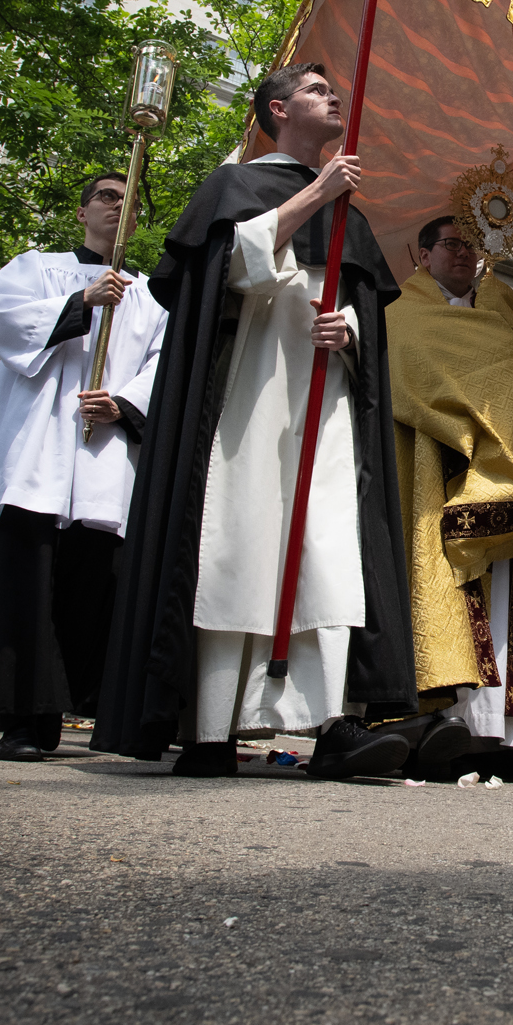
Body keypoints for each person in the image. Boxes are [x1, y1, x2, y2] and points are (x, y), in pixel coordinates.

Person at [91, 63, 417, 780]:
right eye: (316, 91)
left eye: (335, 91)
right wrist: (315, 196)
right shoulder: (234, 186)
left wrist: (351, 331)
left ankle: (334, 727)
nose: (333, 100)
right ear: (278, 108)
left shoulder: (350, 218)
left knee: (328, 552)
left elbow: (365, 313)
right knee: (236, 545)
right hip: (247, 396)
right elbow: (228, 275)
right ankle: (210, 728)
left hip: (325, 406)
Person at [0, 173, 166, 761]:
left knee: (86, 590)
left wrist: (124, 403)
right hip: (36, 454)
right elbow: (6, 321)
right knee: (25, 587)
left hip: (101, 462)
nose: (118, 208)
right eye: (105, 197)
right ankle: (21, 723)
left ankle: (74, 712)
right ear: (81, 212)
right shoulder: (35, 268)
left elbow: (160, 363)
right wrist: (80, 301)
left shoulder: (149, 294)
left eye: (129, 202)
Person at [386, 215, 513, 779]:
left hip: (511, 467)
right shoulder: (399, 317)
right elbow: (410, 377)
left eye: (470, 245)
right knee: (445, 592)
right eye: (450, 244)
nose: (462, 254)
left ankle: (506, 736)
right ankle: (444, 727)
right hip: (439, 466)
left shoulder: (504, 317)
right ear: (422, 255)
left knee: (507, 604)